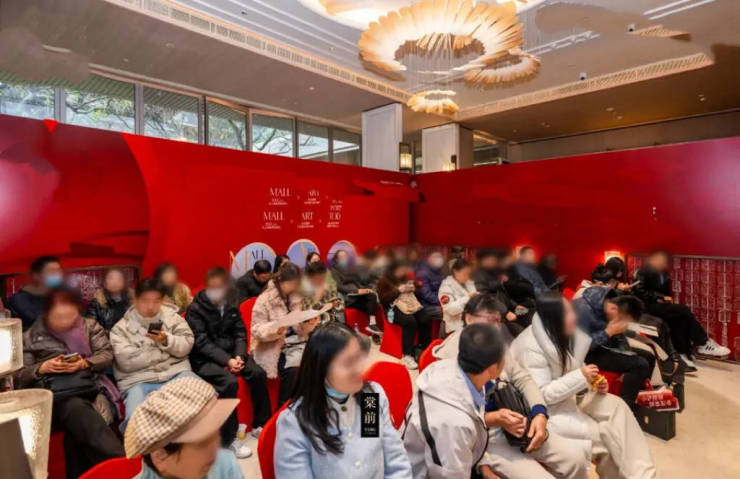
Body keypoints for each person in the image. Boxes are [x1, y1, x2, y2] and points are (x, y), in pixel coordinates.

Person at [433, 295, 588, 479]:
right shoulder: (449, 360)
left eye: (498, 321)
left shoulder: (497, 346)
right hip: (485, 438)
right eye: (489, 319)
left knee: (576, 459)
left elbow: (523, 378)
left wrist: (539, 413)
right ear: (469, 318)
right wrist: (495, 418)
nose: (495, 327)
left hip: (517, 422)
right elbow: (450, 419)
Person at [511, 292, 657, 479]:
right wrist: (581, 377)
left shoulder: (560, 332)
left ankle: (645, 475)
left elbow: (573, 365)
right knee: (605, 436)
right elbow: (540, 397)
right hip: (544, 413)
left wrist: (592, 381)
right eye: (568, 313)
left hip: (569, 397)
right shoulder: (531, 349)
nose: (575, 316)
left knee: (618, 406)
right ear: (554, 319)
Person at [275, 322, 412, 478]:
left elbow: (395, 460)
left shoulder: (369, 399)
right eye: (347, 363)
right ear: (321, 369)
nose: (358, 368)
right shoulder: (296, 422)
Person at [16, 289, 125, 478]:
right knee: (75, 409)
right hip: (52, 396)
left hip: (87, 387)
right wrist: (42, 368)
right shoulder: (31, 336)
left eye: (70, 315)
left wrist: (85, 363)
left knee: (75, 429)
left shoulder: (89, 326)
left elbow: (106, 354)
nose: (65, 321)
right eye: (59, 317)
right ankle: (123, 464)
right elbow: (19, 376)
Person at [185, 267, 271, 458]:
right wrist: (227, 360)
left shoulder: (231, 303)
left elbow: (240, 332)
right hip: (205, 359)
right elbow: (201, 343)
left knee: (258, 373)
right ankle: (228, 439)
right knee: (229, 383)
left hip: (233, 354)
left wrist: (239, 356)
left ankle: (261, 424)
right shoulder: (196, 309)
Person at [110, 279, 196, 432]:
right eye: (145, 301)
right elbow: (126, 362)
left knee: (205, 402)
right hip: (139, 381)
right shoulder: (120, 329)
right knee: (135, 423)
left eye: (156, 301)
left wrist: (166, 340)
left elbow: (187, 344)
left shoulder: (172, 317)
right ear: (135, 300)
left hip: (176, 373)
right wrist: (160, 350)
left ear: (162, 300)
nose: (150, 306)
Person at [124, 376, 244, 479]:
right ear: (160, 457)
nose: (215, 448)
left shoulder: (225, 463)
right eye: (202, 444)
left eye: (215, 435)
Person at [633, 250, 729, 368]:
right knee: (683, 310)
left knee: (680, 319)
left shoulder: (664, 273)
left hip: (659, 305)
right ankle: (703, 342)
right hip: (646, 306)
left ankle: (682, 354)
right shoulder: (643, 271)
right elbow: (639, 290)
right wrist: (659, 297)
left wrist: (664, 298)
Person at [574, 287, 652, 409]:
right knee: (640, 364)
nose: (622, 324)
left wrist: (626, 352)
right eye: (622, 320)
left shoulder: (609, 302)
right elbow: (579, 348)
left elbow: (619, 339)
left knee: (648, 356)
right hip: (583, 355)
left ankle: (642, 398)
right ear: (613, 309)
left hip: (600, 346)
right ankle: (625, 408)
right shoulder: (582, 311)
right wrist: (608, 332)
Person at [251, 262, 317, 405]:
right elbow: (256, 330)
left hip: (297, 341)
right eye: (291, 284)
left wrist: (307, 323)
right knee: (294, 369)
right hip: (274, 346)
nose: (294, 288)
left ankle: (310, 403)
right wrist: (275, 329)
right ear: (281, 281)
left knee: (321, 356)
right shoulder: (264, 300)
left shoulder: (295, 297)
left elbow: (299, 326)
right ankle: (285, 407)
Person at [376, 261, 432, 370]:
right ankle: (407, 355)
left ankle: (424, 348)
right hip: (392, 309)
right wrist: (397, 290)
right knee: (409, 321)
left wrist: (414, 289)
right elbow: (383, 300)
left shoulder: (406, 278)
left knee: (425, 318)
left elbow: (419, 296)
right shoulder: (384, 281)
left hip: (410, 305)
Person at [474, 249, 534, 337]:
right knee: (520, 330)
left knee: (529, 313)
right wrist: (505, 312)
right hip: (499, 314)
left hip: (509, 308)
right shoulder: (479, 275)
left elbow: (503, 294)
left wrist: (515, 306)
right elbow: (486, 298)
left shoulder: (494, 272)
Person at [331, 249, 381, 336]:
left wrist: (366, 289)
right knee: (370, 305)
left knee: (372, 296)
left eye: (345, 256)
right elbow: (339, 286)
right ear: (336, 259)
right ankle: (372, 332)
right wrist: (356, 291)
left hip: (358, 295)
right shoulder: (334, 270)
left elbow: (360, 281)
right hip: (348, 298)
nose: (344, 259)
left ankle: (372, 324)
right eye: (341, 257)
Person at [8, 255, 64, 330]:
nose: (57, 275)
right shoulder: (19, 300)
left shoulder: (58, 297)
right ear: (36, 275)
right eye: (52, 271)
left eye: (59, 271)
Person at [84, 267, 134, 332]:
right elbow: (90, 328)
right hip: (105, 337)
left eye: (119, 278)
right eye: (111, 278)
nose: (115, 282)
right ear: (105, 282)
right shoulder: (96, 303)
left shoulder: (133, 300)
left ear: (124, 282)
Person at [437, 258, 477, 334]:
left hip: (472, 321)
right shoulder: (446, 286)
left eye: (469, 274)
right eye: (464, 274)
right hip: (455, 325)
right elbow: (450, 309)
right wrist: (468, 298)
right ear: (455, 272)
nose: (467, 277)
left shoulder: (469, 282)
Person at [414, 250, 445, 332]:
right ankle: (443, 338)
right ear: (429, 259)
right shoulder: (423, 273)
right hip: (427, 306)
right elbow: (426, 295)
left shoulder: (439, 272)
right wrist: (443, 302)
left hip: (439, 303)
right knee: (447, 313)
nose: (439, 259)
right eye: (436, 257)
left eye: (440, 257)